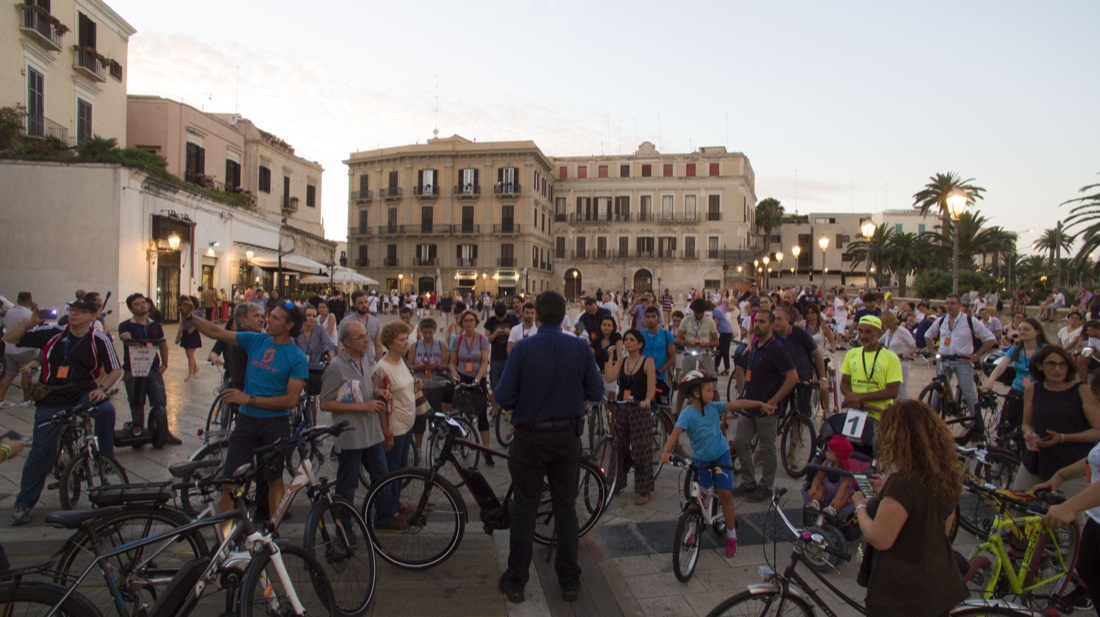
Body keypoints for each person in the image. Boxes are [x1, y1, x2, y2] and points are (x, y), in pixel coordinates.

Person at [495, 291, 604, 605]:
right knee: (565, 510)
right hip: (566, 437)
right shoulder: (579, 347)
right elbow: (596, 390)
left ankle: (516, 581)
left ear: (537, 317)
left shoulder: (524, 349)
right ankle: (569, 581)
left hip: (529, 438)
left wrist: (528, 399)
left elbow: (503, 396)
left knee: (525, 510)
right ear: (564, 315)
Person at [178, 297, 307, 517]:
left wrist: (248, 399)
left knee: (274, 479)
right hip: (247, 422)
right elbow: (216, 332)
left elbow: (290, 400)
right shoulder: (255, 340)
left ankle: (273, 534)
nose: (268, 320)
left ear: (289, 326)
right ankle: (225, 537)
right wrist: (190, 317)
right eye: (270, 316)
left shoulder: (297, 358)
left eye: (275, 318)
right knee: (230, 482)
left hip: (275, 425)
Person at [3, 297, 121, 526]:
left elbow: (116, 370)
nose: (74, 314)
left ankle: (104, 460)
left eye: (80, 311)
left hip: (83, 393)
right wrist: (30, 323)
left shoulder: (99, 339)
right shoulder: (54, 332)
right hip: (52, 396)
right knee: (40, 451)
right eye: (72, 310)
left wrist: (102, 388)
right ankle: (24, 503)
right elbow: (8, 339)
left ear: (92, 316)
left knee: (105, 410)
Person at [851, 400, 968, 616]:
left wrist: (860, 506)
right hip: (939, 583)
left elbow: (879, 537)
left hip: (903, 593)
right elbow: (942, 528)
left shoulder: (902, 483)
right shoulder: (944, 475)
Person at [661, 370, 775, 557]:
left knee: (725, 495)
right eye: (708, 390)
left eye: (713, 390)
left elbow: (738, 404)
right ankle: (691, 529)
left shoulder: (714, 407)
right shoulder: (687, 415)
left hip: (721, 456)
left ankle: (731, 533)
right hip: (702, 460)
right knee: (697, 498)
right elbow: (674, 434)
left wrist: (760, 404)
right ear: (696, 393)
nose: (712, 394)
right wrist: (666, 451)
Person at [319, 321, 400, 530]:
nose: (367, 340)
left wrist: (377, 393)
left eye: (367, 335)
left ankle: (385, 517)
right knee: (348, 485)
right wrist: (363, 405)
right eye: (361, 337)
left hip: (372, 432)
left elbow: (364, 388)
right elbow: (325, 402)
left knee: (381, 477)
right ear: (347, 342)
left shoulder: (365, 359)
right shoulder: (336, 367)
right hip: (351, 435)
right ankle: (344, 529)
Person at [731, 311, 798, 502]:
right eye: (756, 321)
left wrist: (774, 400)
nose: (758, 325)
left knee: (767, 448)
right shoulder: (755, 346)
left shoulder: (776, 349)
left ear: (770, 325)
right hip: (750, 405)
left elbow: (792, 377)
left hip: (767, 409)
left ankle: (766, 486)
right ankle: (748, 482)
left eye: (762, 322)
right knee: (740, 441)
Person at [1015, 345, 1100, 489]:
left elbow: (1097, 431)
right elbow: (1027, 423)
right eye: (1051, 364)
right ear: (1040, 366)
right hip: (1037, 458)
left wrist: (1062, 437)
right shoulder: (1033, 389)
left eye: (1063, 364)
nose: (1057, 369)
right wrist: (1029, 434)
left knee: (1070, 508)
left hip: (1074, 463)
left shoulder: (1082, 390)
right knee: (1016, 503)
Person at [1034, 443, 1100, 613]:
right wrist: (1061, 475)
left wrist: (1070, 507)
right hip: (1096, 517)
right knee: (1087, 567)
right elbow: (1094, 458)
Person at [118, 293, 182, 445]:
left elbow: (162, 345)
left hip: (153, 368)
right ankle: (137, 431)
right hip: (133, 369)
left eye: (143, 303)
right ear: (131, 309)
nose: (142, 305)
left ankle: (164, 432)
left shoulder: (155, 326)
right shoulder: (126, 325)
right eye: (137, 304)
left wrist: (165, 364)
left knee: (159, 400)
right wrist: (136, 342)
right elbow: (126, 338)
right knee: (136, 402)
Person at [604, 328, 658, 505]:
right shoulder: (622, 361)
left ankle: (644, 489)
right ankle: (615, 484)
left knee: (641, 449)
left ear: (640, 344)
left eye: (631, 340)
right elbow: (610, 377)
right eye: (626, 339)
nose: (627, 342)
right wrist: (610, 358)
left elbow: (651, 387)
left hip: (639, 409)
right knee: (618, 446)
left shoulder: (647, 363)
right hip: (622, 408)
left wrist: (648, 400)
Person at [924, 294, 996, 420]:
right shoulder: (941, 320)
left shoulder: (969, 320)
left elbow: (990, 339)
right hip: (944, 359)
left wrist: (976, 355)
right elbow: (928, 335)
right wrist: (932, 352)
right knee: (938, 391)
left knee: (969, 394)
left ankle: (977, 425)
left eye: (952, 303)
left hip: (962, 361)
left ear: (959, 305)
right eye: (947, 303)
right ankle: (933, 421)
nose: (949, 306)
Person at [982, 317, 1049, 448]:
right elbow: (1001, 367)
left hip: (1038, 391)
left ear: (1037, 332)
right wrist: (990, 382)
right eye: (1020, 329)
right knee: (1007, 422)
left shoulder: (1045, 350)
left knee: (1035, 424)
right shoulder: (1015, 350)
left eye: (1026, 329)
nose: (1022, 331)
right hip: (1018, 389)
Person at [374, 321, 418, 491]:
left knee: (402, 465)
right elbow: (381, 405)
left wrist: (415, 385)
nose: (406, 342)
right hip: (396, 427)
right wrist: (387, 434)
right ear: (390, 343)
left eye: (406, 338)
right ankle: (390, 508)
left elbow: (403, 387)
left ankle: (396, 503)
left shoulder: (402, 361)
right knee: (393, 469)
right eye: (401, 340)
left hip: (408, 423)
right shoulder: (382, 368)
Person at [445, 309, 493, 463]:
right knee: (455, 407)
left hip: (478, 377)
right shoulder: (458, 340)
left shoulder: (482, 339)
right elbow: (452, 362)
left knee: (482, 416)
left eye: (472, 320)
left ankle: (486, 450)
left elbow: (484, 361)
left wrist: (479, 378)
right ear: (462, 323)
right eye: (466, 321)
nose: (469, 323)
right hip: (462, 375)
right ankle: (456, 438)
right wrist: (453, 373)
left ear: (476, 322)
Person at [840, 316, 903, 423]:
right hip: (855, 414)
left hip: (881, 415)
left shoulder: (891, 358)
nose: (863, 336)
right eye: (860, 331)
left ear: (879, 333)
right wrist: (850, 397)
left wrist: (860, 397)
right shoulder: (851, 354)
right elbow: (844, 383)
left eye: (868, 332)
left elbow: (893, 391)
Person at [407, 318, 448, 450]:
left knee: (436, 417)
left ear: (434, 331)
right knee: (420, 419)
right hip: (421, 385)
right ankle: (418, 448)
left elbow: (445, 365)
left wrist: (435, 365)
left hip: (437, 384)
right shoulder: (415, 345)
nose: (427, 335)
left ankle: (435, 446)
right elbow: (410, 365)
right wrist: (419, 366)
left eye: (430, 332)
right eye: (425, 332)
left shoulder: (441, 345)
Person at [805, 434, 856, 519]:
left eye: (829, 452)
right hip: (827, 488)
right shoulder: (827, 462)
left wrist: (837, 498)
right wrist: (814, 487)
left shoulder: (846, 471)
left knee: (846, 494)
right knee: (820, 489)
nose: (826, 453)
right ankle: (814, 503)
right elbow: (819, 476)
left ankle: (833, 508)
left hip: (840, 491)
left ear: (838, 457)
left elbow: (843, 486)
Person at [0, 291, 35, 406]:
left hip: (9, 348)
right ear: (30, 301)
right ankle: (27, 399)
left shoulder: (9, 312)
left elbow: (5, 325)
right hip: (24, 349)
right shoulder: (29, 314)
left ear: (18, 300)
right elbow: (33, 330)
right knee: (27, 375)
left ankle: (1, 399)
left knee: (9, 374)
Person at [485, 302, 518, 421]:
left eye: (503, 317)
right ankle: (495, 412)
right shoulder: (491, 321)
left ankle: (513, 412)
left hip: (511, 358)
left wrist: (511, 333)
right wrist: (495, 333)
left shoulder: (513, 318)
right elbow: (487, 340)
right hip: (496, 358)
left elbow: (519, 336)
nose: (502, 319)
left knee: (514, 385)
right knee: (495, 385)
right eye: (499, 318)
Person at [878, 311, 916, 400]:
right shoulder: (888, 332)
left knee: (901, 389)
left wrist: (907, 354)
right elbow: (879, 342)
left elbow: (913, 347)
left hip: (901, 362)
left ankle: (905, 408)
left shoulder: (902, 331)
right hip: (890, 363)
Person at [339, 290, 383, 361]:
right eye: (360, 303)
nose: (364, 305)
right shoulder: (346, 322)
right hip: (352, 364)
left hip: (370, 363)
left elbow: (378, 345)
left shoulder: (375, 321)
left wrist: (379, 364)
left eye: (366, 302)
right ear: (354, 304)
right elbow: (341, 345)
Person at [175, 295, 202, 382]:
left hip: (193, 334)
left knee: (190, 354)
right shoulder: (183, 313)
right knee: (188, 354)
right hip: (186, 334)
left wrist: (193, 327)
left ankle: (190, 375)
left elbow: (201, 323)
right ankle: (196, 367)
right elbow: (182, 324)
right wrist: (178, 336)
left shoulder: (198, 313)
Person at [713, 298, 736, 377]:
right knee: (720, 349)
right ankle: (715, 366)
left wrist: (712, 334)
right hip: (726, 332)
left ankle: (726, 369)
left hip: (725, 332)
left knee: (724, 350)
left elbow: (715, 324)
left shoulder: (716, 310)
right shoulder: (721, 310)